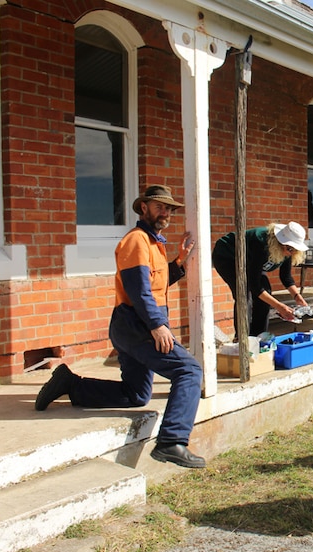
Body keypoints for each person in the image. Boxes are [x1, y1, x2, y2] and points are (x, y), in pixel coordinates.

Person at [35, 185, 206, 468]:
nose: (166, 213)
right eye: (159, 207)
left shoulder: (154, 244)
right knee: (188, 370)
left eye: (169, 209)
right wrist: (157, 325)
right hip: (136, 325)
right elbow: (138, 290)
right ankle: (172, 442)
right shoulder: (137, 240)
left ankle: (71, 385)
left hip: (132, 326)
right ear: (144, 208)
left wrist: (179, 262)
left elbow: (155, 286)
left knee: (137, 394)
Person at [212, 222, 309, 337]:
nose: (290, 252)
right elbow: (255, 286)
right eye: (289, 248)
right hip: (227, 256)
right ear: (279, 242)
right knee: (244, 294)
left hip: (250, 261)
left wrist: (298, 297)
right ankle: (242, 339)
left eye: (294, 250)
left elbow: (286, 277)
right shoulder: (261, 243)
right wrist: (279, 307)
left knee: (266, 292)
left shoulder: (289, 250)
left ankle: (259, 337)